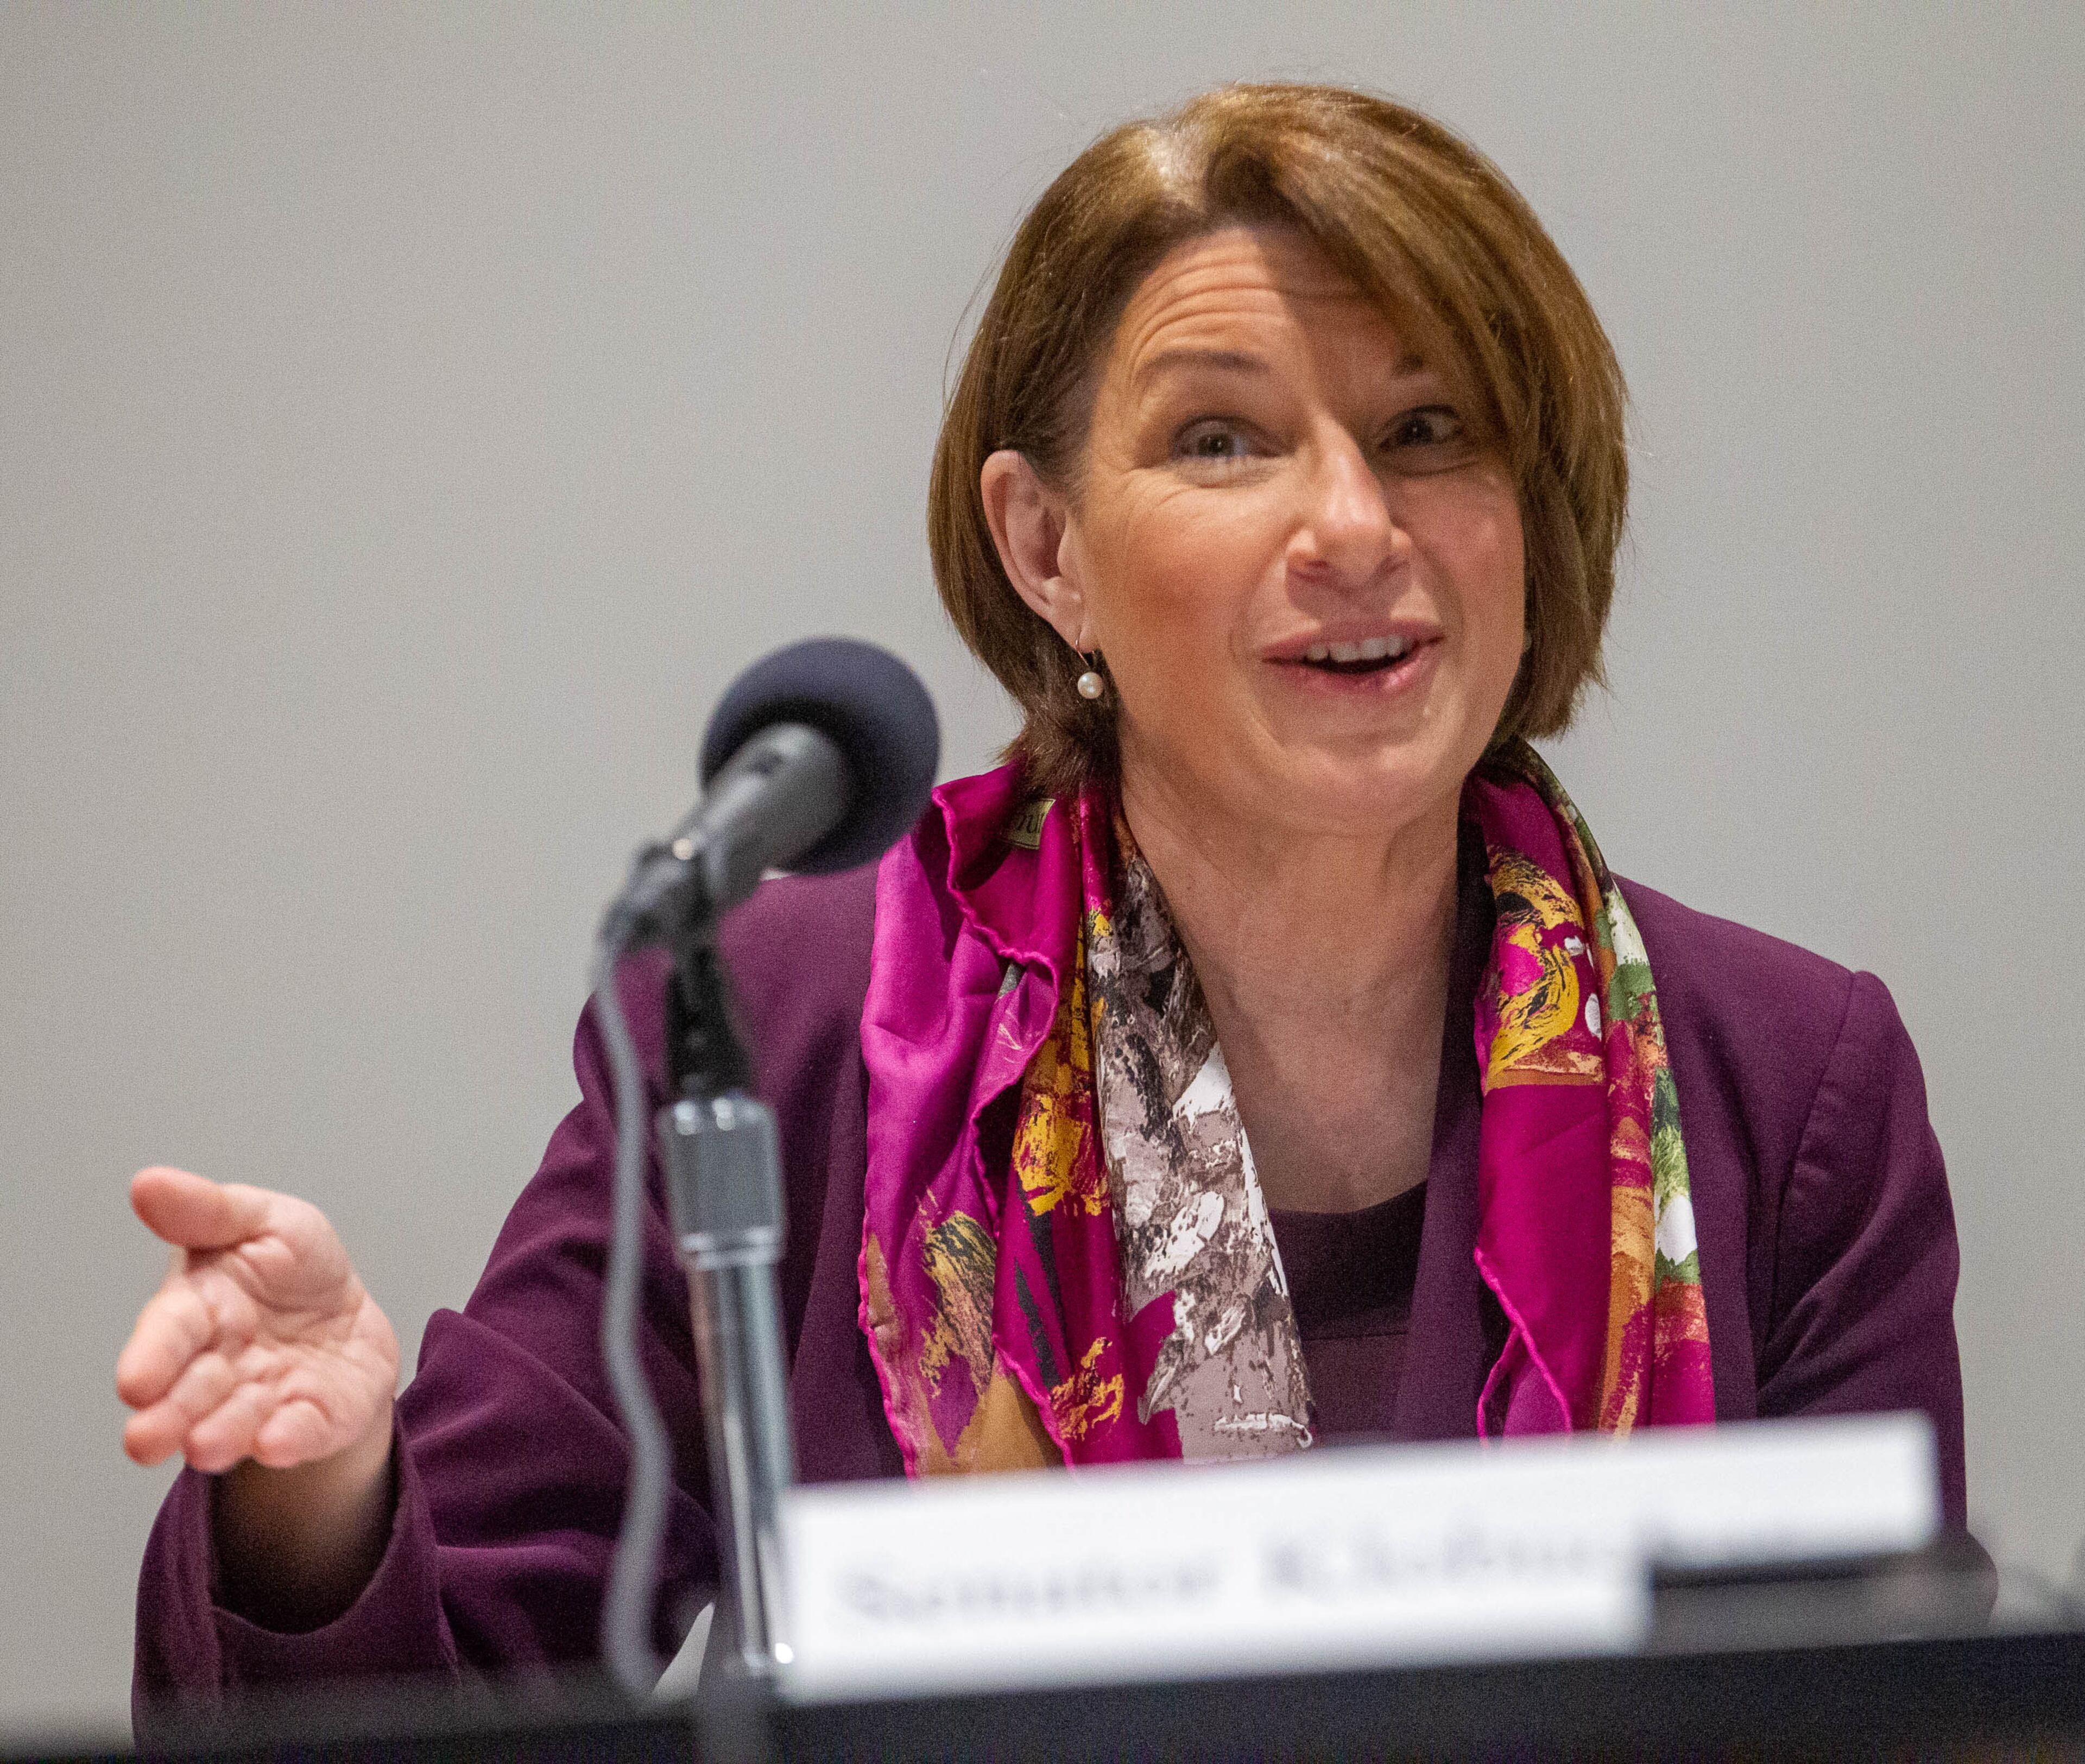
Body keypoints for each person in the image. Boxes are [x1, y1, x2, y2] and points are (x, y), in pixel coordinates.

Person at [119, 84, 1968, 1709]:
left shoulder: (1787, 1080)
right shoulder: (800, 1032)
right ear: (1045, 547)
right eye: (1224, 440)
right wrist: (322, 1474)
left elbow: (1903, 1715)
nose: (1354, 526)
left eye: (1429, 432)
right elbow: (449, 1688)